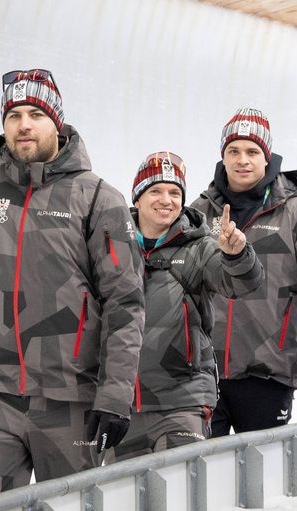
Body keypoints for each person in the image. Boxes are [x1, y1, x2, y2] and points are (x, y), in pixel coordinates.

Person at [0, 69, 144, 502]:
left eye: (36, 113)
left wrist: (115, 395)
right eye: (14, 115)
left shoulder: (97, 199)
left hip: (71, 401)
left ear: (57, 122)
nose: (24, 125)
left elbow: (125, 301)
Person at [188, 108, 297, 436]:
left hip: (268, 375)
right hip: (205, 375)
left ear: (267, 157)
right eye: (234, 151)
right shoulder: (200, 214)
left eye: (252, 152)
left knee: (261, 479)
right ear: (223, 157)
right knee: (201, 477)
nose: (242, 160)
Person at [111, 151, 264, 460]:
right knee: (121, 502)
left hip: (183, 401)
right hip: (123, 405)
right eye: (156, 190)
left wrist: (236, 255)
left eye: (174, 192)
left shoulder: (200, 246)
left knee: (178, 493)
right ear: (137, 198)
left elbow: (240, 283)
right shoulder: (111, 246)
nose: (166, 200)